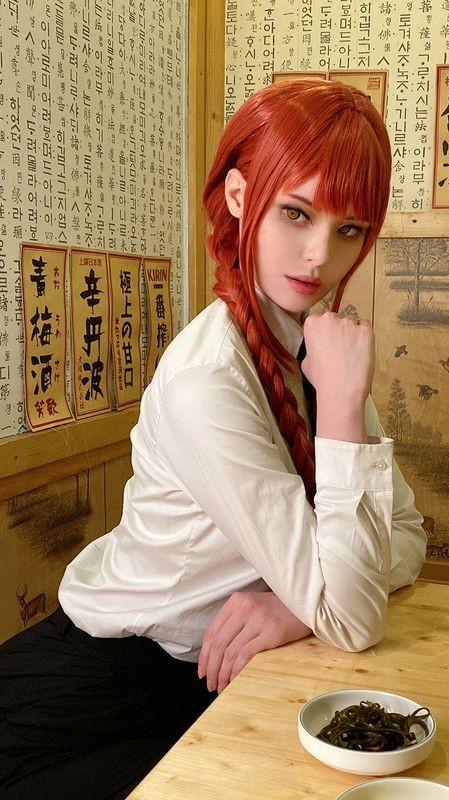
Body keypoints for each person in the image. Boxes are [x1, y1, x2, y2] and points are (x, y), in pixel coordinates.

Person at [0, 78, 426, 799]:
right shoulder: (210, 378)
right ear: (238, 196)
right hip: (101, 682)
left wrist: (294, 607)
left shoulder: (317, 352)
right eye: (296, 213)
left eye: (349, 229)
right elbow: (352, 616)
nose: (319, 255)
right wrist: (317, 600)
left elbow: (406, 534)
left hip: (218, 676)